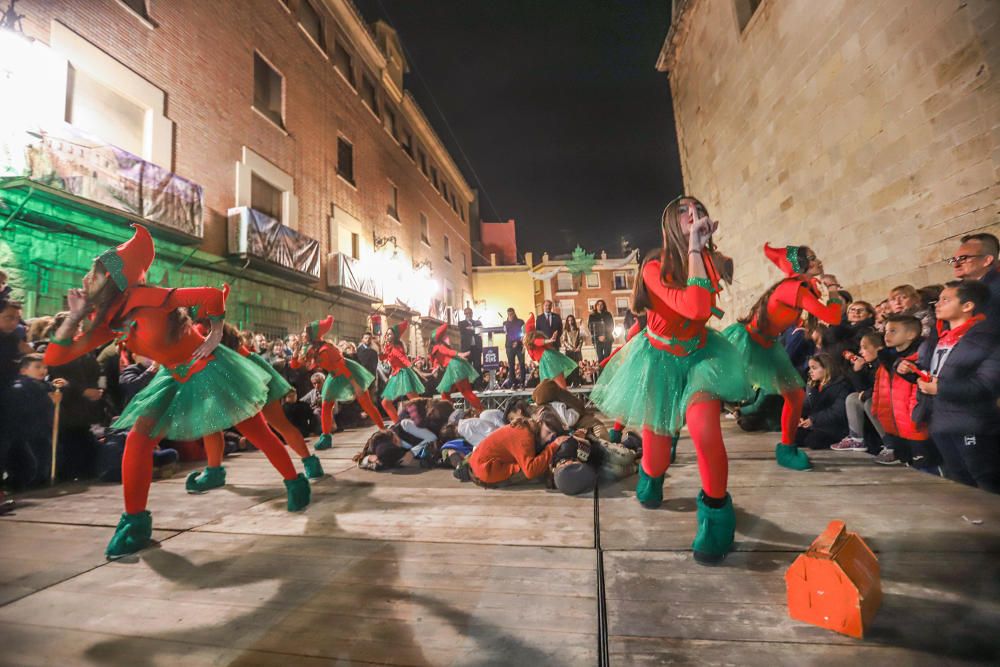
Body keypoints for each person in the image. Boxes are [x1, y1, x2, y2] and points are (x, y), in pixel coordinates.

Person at [43, 225, 310, 558]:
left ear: (115, 277)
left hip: (210, 367)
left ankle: (294, 481)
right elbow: (55, 357)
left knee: (255, 430)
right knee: (138, 440)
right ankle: (135, 523)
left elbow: (211, 296)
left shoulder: (148, 297)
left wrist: (214, 334)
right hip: (173, 375)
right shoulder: (109, 317)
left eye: (94, 273)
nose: (86, 279)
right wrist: (77, 316)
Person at [591, 196, 752, 564]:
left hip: (701, 356)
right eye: (682, 210)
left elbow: (699, 310)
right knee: (657, 455)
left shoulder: (713, 261)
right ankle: (651, 475)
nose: (692, 213)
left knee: (704, 428)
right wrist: (694, 247)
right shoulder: (653, 265)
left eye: (698, 208)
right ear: (668, 223)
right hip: (660, 358)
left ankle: (715, 518)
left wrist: (700, 249)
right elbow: (694, 306)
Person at [722, 243, 844, 470]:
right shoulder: (794, 288)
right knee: (710, 387)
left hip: (768, 346)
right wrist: (834, 291)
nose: (818, 261)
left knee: (795, 396)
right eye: (812, 257)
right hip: (747, 343)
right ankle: (669, 433)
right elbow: (833, 317)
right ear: (801, 264)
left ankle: (787, 449)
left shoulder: (801, 287)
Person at [186, 322, 324, 493]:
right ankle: (214, 471)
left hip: (250, 373)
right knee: (211, 423)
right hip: (228, 377)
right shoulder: (201, 325)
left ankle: (309, 461)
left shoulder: (204, 327)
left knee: (278, 424)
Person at [904, 280, 1000, 492]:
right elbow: (934, 374)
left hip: (972, 424)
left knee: (985, 481)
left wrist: (940, 389)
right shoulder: (940, 338)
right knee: (958, 482)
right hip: (941, 421)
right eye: (938, 300)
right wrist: (912, 372)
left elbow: (987, 385)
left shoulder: (986, 339)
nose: (937, 305)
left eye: (946, 300)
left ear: (967, 306)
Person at [292, 316, 385, 451]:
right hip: (334, 375)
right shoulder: (309, 348)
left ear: (313, 334)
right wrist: (295, 353)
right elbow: (295, 365)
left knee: (366, 404)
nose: (303, 334)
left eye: (306, 331)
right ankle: (326, 437)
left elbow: (342, 367)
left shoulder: (327, 349)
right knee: (326, 404)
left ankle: (384, 430)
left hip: (348, 373)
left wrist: (356, 386)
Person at [866, 315, 935, 469]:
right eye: (886, 331)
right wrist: (877, 409)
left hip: (914, 424)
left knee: (926, 468)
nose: (887, 335)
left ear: (910, 334)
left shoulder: (919, 359)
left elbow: (920, 391)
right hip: (893, 423)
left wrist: (916, 418)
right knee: (907, 464)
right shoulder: (885, 358)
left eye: (893, 331)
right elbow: (880, 387)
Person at [2, 354, 66, 488]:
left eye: (45, 367)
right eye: (37, 367)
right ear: (23, 370)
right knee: (31, 461)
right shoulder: (19, 388)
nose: (42, 371)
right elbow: (22, 408)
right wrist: (48, 401)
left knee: (44, 458)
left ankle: (40, 480)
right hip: (26, 432)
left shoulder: (44, 386)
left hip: (41, 429)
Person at [466, 411, 566, 486]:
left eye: (553, 436)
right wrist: (553, 446)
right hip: (485, 471)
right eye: (548, 433)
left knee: (541, 463)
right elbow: (530, 471)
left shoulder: (527, 427)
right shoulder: (525, 435)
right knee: (540, 472)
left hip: (479, 465)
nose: (549, 439)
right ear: (539, 423)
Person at [832, 331, 887, 452]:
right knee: (853, 398)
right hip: (876, 396)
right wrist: (857, 370)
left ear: (879, 349)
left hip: (888, 401)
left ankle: (890, 444)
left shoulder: (885, 364)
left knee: (869, 403)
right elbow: (860, 390)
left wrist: (868, 393)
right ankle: (856, 439)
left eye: (865, 348)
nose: (861, 352)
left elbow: (884, 386)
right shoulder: (870, 365)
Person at [794, 353, 851, 450]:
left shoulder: (842, 386)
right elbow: (807, 404)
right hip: (817, 425)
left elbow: (837, 412)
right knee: (794, 437)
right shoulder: (813, 385)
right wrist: (801, 416)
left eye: (814, 368)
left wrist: (813, 419)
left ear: (826, 369)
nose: (810, 372)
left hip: (834, 427)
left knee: (813, 442)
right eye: (810, 368)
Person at [948, 232, 1000, 330]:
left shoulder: (995, 291)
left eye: (963, 258)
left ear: (987, 260)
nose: (956, 265)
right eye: (954, 260)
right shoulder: (957, 290)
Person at [428, 324, 483, 411]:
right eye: (443, 335)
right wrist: (436, 367)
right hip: (453, 367)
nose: (445, 337)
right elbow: (439, 359)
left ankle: (480, 410)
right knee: (445, 394)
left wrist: (459, 354)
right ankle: (450, 412)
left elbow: (448, 352)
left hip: (454, 367)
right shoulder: (437, 347)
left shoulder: (438, 346)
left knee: (465, 391)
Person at [379, 321, 425, 423]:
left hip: (403, 375)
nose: (387, 335)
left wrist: (417, 371)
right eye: (387, 333)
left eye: (390, 334)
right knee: (386, 403)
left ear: (395, 336)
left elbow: (404, 359)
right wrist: (379, 348)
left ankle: (424, 421)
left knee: (416, 401)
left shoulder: (396, 348)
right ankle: (398, 424)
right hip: (396, 376)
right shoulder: (389, 348)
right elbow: (383, 357)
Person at [523, 313, 578, 389]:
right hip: (548, 358)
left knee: (553, 381)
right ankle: (562, 394)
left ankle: (564, 395)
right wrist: (550, 340)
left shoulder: (532, 340)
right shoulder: (533, 340)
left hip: (547, 359)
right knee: (556, 381)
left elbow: (539, 342)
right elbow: (541, 342)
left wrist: (550, 340)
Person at [503, 308, 526, 387]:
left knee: (522, 364)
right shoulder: (505, 323)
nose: (511, 316)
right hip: (509, 346)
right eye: (509, 314)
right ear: (507, 314)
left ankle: (522, 382)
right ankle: (513, 383)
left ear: (514, 313)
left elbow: (523, 333)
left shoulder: (520, 322)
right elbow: (506, 334)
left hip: (519, 346)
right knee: (511, 365)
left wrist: (518, 341)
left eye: (512, 314)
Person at [561, 314, 584, 385]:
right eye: (569, 320)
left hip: (577, 351)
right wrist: (571, 348)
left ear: (574, 321)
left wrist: (578, 348)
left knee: (576, 366)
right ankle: (571, 382)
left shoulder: (578, 330)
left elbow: (581, 340)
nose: (570, 321)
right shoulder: (565, 331)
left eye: (571, 320)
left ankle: (576, 382)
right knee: (571, 367)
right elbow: (564, 341)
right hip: (569, 351)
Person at [458, 307, 483, 374]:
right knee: (467, 367)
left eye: (470, 313)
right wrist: (474, 329)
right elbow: (463, 331)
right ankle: (469, 384)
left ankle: (478, 384)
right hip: (467, 349)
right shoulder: (461, 323)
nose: (468, 315)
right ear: (464, 314)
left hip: (476, 348)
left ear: (472, 313)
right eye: (466, 313)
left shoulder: (477, 322)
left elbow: (479, 331)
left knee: (477, 367)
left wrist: (470, 328)